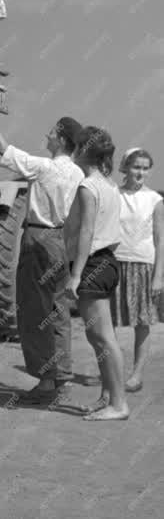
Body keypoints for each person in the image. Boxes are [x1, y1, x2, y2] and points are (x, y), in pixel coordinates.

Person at [0, 94, 84, 404]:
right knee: (58, 310)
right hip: (61, 240)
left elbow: (1, 148)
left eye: (51, 131)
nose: (46, 134)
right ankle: (62, 377)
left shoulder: (44, 167)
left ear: (62, 139)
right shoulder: (77, 173)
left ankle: (47, 384)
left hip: (37, 240)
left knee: (34, 312)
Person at [64, 127, 128, 421]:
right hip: (108, 263)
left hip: (93, 264)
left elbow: (87, 231)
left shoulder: (88, 186)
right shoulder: (109, 185)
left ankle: (119, 404)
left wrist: (75, 276)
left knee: (103, 338)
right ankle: (108, 396)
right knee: (101, 337)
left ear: (81, 151)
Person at [109, 147, 164, 393]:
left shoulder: (155, 200)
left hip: (143, 265)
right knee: (108, 321)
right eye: (136, 167)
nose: (140, 172)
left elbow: (160, 239)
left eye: (144, 167)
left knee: (142, 322)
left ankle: (137, 374)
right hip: (115, 263)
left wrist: (158, 277)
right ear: (125, 168)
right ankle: (112, 371)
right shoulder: (114, 194)